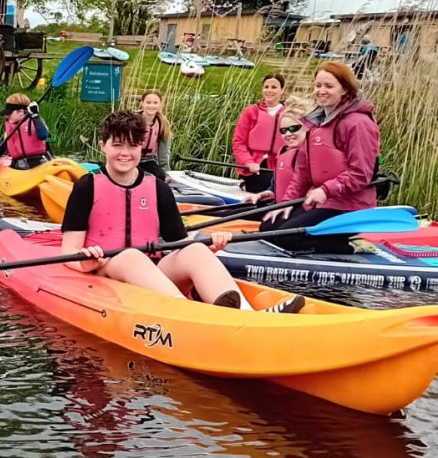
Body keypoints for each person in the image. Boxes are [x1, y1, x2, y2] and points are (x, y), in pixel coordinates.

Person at [60, 111, 304, 313]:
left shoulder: (157, 188)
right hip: (105, 272)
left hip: (152, 273)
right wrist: (85, 262)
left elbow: (179, 242)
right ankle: (188, 314)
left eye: (133, 145)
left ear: (141, 148)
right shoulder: (86, 187)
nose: (125, 153)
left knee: (195, 249)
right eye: (117, 145)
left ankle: (249, 316)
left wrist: (210, 248)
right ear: (103, 146)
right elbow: (69, 251)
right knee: (131, 256)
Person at [260, 61, 380, 254]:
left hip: (348, 207)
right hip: (322, 202)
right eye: (318, 86)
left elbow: (361, 174)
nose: (321, 91)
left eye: (329, 86)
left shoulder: (358, 123)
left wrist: (325, 190)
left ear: (345, 90)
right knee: (266, 227)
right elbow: (302, 175)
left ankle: (351, 246)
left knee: (285, 238)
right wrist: (284, 205)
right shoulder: (316, 123)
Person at [232, 73, 286, 194]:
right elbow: (238, 143)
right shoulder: (251, 112)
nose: (269, 90)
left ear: (282, 90)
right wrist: (248, 162)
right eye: (266, 87)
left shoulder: (290, 114)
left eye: (274, 87)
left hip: (278, 167)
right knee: (267, 184)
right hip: (255, 168)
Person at [0, 92, 51, 172]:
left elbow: (43, 135)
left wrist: (36, 115)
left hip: (39, 164)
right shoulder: (8, 131)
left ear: (21, 112)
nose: (6, 116)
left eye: (9, 113)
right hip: (18, 166)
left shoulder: (36, 122)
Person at [138, 89, 171, 181]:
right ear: (142, 103)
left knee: (160, 179)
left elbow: (164, 151)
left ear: (160, 104)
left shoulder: (162, 123)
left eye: (155, 103)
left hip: (149, 160)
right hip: (132, 160)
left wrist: (165, 171)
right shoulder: (133, 120)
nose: (151, 106)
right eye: (148, 102)